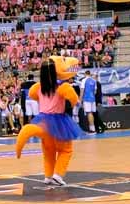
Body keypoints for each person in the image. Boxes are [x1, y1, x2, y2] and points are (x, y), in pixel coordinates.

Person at [14, 56, 84, 186]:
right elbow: (74, 100)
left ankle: (48, 176)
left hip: (43, 121)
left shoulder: (38, 87)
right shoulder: (63, 87)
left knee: (48, 152)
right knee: (65, 150)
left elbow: (32, 95)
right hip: (59, 121)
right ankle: (57, 174)